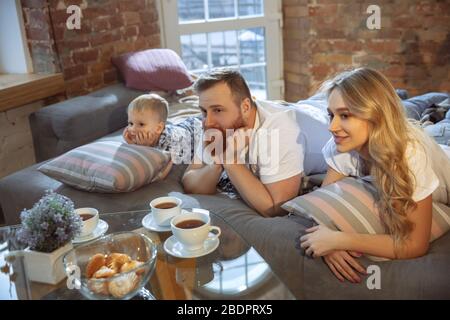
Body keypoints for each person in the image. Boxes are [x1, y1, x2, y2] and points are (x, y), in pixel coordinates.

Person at [299, 68, 450, 283]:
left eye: (345, 115)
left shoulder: (408, 156)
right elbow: (322, 206)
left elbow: (415, 245)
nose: (332, 127)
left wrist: (341, 240)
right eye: (331, 114)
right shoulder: (341, 146)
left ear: (375, 115)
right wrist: (328, 244)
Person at [182, 69, 330, 217]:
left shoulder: (278, 130)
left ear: (245, 107)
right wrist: (217, 163)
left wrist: (231, 161)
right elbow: (189, 181)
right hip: (304, 107)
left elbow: (276, 209)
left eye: (218, 110)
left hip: (323, 115)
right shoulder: (216, 125)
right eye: (204, 111)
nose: (207, 122)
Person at [123, 93, 202, 165]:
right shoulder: (146, 136)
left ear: (158, 128)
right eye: (131, 123)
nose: (133, 129)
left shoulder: (168, 143)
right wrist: (132, 145)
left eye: (141, 124)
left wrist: (146, 148)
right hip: (183, 127)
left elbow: (161, 167)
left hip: (196, 130)